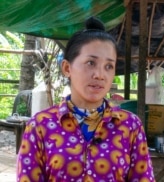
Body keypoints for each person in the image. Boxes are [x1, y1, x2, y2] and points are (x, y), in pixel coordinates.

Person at [16, 17, 156, 182]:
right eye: (91, 63)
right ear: (67, 68)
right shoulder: (40, 126)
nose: (100, 75)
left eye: (108, 66)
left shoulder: (130, 126)